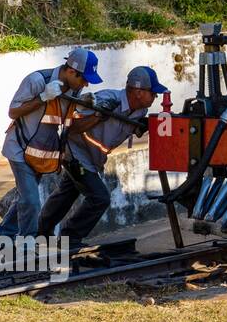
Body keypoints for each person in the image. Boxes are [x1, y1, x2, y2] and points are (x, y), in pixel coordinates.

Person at [37, 66, 167, 250]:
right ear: (138, 92)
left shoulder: (139, 112)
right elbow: (72, 126)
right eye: (152, 93)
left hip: (93, 158)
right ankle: (70, 238)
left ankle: (41, 232)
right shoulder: (106, 99)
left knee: (66, 194)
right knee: (100, 198)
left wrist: (140, 127)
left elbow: (127, 129)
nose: (155, 97)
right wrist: (98, 115)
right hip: (75, 151)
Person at [0, 48, 100, 241]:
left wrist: (81, 102)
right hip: (19, 148)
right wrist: (42, 97)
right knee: (32, 201)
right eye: (84, 78)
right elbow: (13, 111)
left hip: (41, 153)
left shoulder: (75, 87)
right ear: (70, 71)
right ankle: (25, 246)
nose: (86, 83)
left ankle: (3, 236)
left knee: (25, 199)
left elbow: (65, 115)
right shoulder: (37, 81)